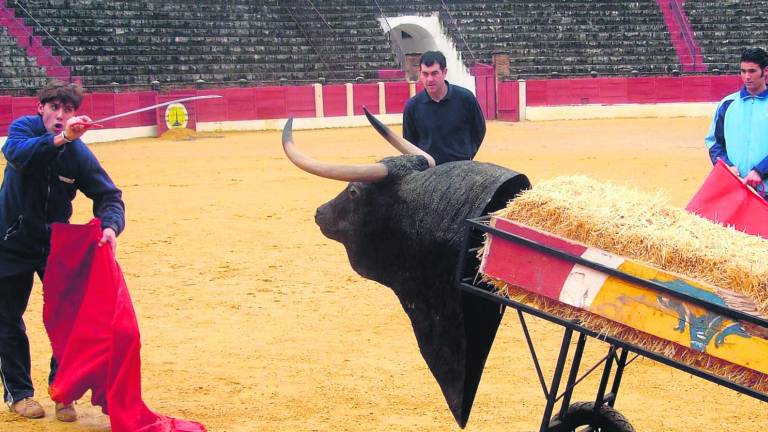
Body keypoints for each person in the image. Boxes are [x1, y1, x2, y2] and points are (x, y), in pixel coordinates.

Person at [0, 81, 125, 422]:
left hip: (55, 246)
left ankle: (63, 390)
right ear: (40, 108)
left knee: (66, 321)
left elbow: (109, 196)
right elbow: (19, 155)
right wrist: (63, 138)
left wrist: (111, 226)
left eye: (67, 110)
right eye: (54, 108)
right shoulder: (23, 130)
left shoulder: (78, 154)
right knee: (7, 319)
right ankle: (19, 393)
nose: (60, 115)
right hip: (10, 242)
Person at [402, 50, 486, 165]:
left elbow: (479, 130)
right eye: (425, 74)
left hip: (461, 169)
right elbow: (409, 143)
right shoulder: (412, 106)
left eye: (434, 73)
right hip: (429, 173)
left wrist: (468, 154)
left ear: (444, 72)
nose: (429, 79)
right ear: (420, 73)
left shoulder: (466, 98)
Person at [705, 47, 768, 196]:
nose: (747, 77)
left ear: (765, 71)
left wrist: (761, 171)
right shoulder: (727, 104)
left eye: (752, 71)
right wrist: (727, 167)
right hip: (735, 186)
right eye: (743, 71)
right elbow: (714, 142)